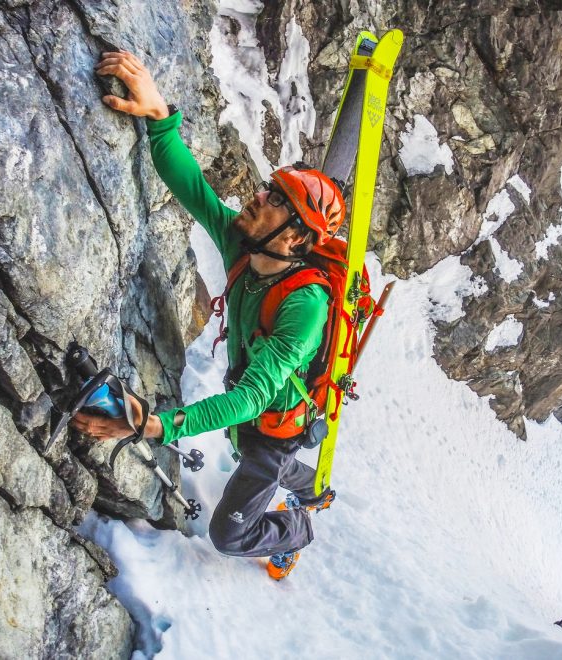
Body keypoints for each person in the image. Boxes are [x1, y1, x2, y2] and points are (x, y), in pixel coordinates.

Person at [71, 50, 344, 580]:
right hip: (262, 416)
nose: (256, 196)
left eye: (272, 199)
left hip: (274, 428)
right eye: (268, 188)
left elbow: (249, 399)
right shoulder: (245, 245)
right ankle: (313, 486)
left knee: (230, 533)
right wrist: (158, 116)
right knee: (256, 458)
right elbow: (191, 185)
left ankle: (298, 529)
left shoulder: (305, 306)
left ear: (291, 237)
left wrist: (160, 425)